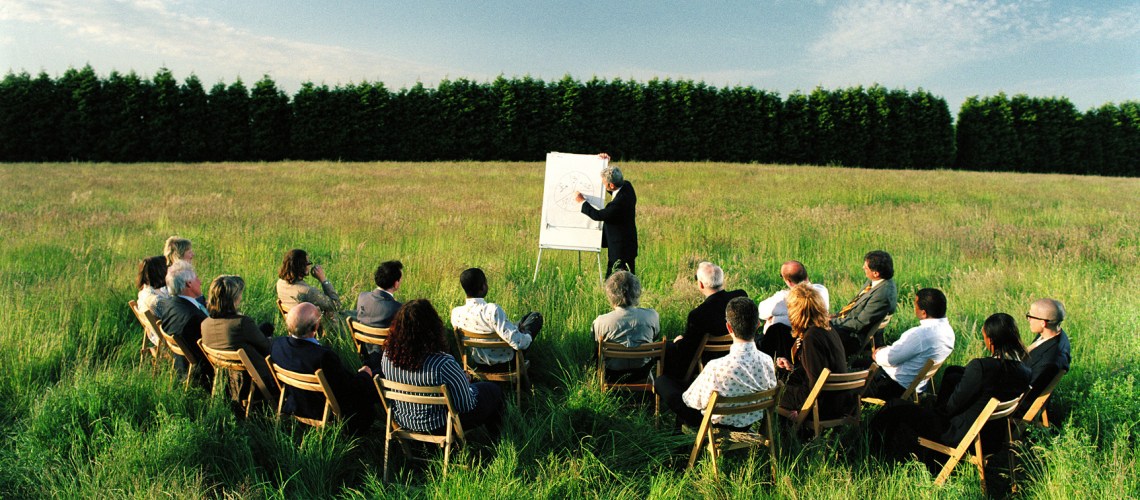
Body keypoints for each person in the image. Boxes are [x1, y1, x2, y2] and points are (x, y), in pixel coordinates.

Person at [870, 313, 1031, 464]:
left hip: (958, 435)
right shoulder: (1025, 371)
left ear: (991, 341)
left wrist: (933, 411)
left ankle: (870, 449)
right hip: (991, 439)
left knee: (895, 405)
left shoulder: (981, 367)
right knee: (953, 372)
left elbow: (951, 406)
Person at [382, 299, 505, 435]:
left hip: (405, 421)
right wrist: (466, 385)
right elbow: (465, 405)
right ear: (432, 328)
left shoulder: (387, 357)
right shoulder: (442, 363)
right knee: (493, 390)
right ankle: (498, 439)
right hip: (439, 426)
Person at [654, 296, 777, 429]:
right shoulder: (767, 361)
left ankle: (681, 436)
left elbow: (691, 402)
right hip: (748, 422)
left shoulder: (716, 367)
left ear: (729, 328)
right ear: (758, 324)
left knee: (662, 382)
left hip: (716, 425)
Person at [269, 302, 379, 435]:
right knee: (374, 375)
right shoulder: (323, 356)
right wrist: (364, 375)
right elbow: (348, 390)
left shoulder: (277, 345)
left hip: (295, 404)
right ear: (315, 327)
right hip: (323, 410)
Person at [776, 283, 855, 421]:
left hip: (824, 405)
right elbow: (819, 370)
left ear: (795, 311)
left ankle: (771, 437)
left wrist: (801, 410)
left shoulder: (811, 338)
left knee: (771, 392)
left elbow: (815, 384)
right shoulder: (826, 329)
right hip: (838, 398)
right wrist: (793, 367)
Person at [862, 288, 955, 400]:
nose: (914, 308)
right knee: (863, 362)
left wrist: (877, 354)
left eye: (915, 306)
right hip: (916, 387)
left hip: (894, 386)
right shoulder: (949, 332)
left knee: (850, 382)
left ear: (924, 313)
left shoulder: (920, 334)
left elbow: (889, 359)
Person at [663, 262, 748, 380]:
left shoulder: (698, 314)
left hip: (711, 362)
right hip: (739, 358)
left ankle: (673, 384)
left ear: (701, 284)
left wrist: (678, 342)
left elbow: (688, 349)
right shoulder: (740, 297)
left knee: (668, 347)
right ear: (721, 280)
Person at [201, 275, 276, 400]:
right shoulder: (242, 323)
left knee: (265, 328)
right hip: (252, 381)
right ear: (234, 299)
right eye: (239, 295)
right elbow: (267, 348)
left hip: (227, 379)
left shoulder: (205, 324)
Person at [451, 268, 543, 369]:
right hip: (506, 362)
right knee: (535, 317)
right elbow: (517, 343)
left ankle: (516, 329)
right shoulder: (492, 310)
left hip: (480, 363)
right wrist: (527, 336)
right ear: (483, 287)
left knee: (519, 323)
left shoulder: (456, 313)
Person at [573, 153, 638, 276]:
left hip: (620, 250)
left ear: (612, 185)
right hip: (628, 245)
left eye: (604, 183)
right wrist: (603, 164)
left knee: (615, 282)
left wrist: (582, 201)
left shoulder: (617, 205)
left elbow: (598, 215)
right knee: (628, 281)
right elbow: (614, 190)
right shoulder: (627, 186)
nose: (603, 185)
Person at [592, 271, 660, 382]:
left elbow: (596, 344)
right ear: (637, 292)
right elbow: (655, 336)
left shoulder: (600, 322)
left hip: (613, 374)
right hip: (642, 372)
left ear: (610, 294)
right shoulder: (652, 316)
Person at [757, 260, 829, 361]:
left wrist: (774, 318)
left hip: (790, 346)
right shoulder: (822, 290)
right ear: (806, 273)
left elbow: (761, 311)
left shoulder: (784, 298)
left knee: (775, 329)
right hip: (814, 342)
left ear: (789, 281)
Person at [831, 250, 898, 357]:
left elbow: (859, 324)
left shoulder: (882, 295)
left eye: (866, 267)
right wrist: (835, 316)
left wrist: (833, 321)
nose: (863, 268)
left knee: (814, 332)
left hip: (853, 335)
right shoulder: (876, 282)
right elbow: (853, 306)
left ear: (876, 273)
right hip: (847, 323)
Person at [157, 261, 212, 383]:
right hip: (201, 375)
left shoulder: (169, 305)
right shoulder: (193, 318)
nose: (200, 282)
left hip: (180, 366)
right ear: (189, 284)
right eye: (197, 279)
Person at [1018, 298, 1072, 417]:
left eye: (1030, 316)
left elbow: (1026, 392)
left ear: (1043, 323)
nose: (1029, 320)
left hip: (1018, 405)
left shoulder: (1049, 360)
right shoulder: (1053, 335)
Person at [356, 260, 404, 357]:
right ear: (396, 284)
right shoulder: (398, 308)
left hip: (366, 351)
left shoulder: (362, 297)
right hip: (386, 356)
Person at [276, 248, 342, 315]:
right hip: (313, 324)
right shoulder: (308, 292)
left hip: (294, 322)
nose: (310, 265)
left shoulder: (280, 283)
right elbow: (336, 306)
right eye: (308, 263)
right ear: (302, 266)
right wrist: (323, 280)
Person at [135, 255, 170, 325]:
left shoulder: (143, 292)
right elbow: (178, 315)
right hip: (170, 334)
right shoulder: (157, 301)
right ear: (161, 272)